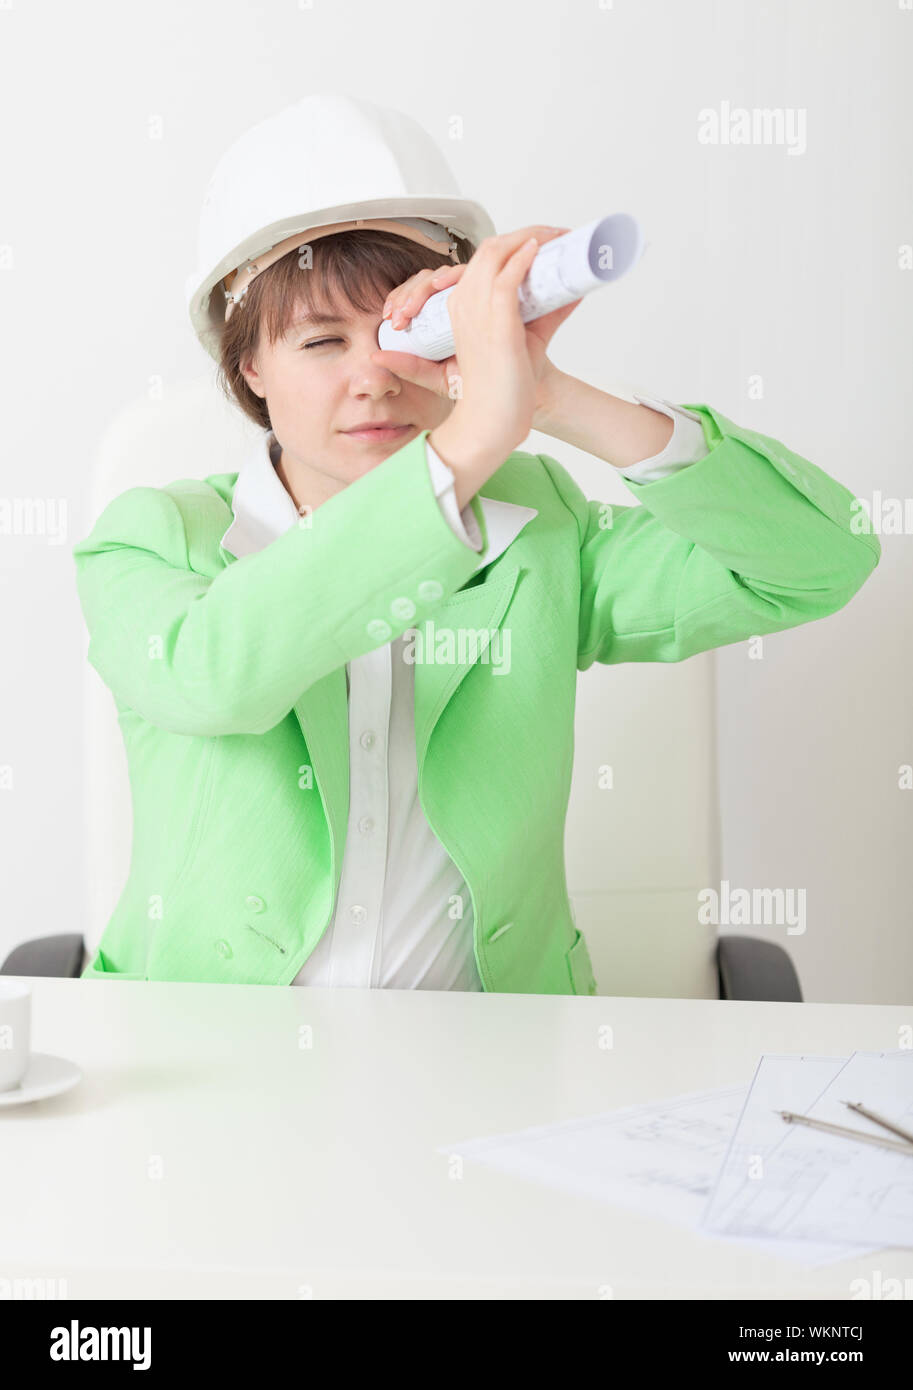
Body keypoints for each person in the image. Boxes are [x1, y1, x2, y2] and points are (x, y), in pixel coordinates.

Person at [73, 94, 880, 993]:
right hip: (202, 1071)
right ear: (249, 366)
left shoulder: (540, 531)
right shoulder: (152, 539)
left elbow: (819, 559)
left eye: (403, 334)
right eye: (321, 341)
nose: (373, 379)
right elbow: (217, 676)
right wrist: (468, 442)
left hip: (493, 1071)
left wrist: (546, 394)